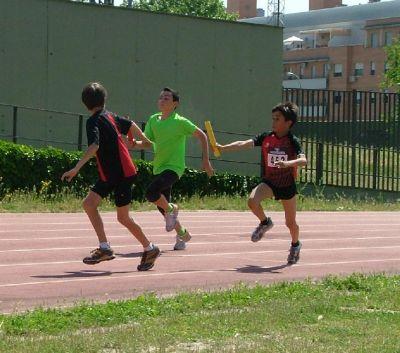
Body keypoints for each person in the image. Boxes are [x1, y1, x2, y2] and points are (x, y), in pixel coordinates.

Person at [61, 82, 160, 271]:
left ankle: (150, 248)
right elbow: (132, 127)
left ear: (85, 103)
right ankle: (105, 248)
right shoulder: (111, 116)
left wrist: (76, 168)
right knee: (89, 204)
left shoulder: (94, 121)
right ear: (104, 100)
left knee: (123, 218)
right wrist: (144, 141)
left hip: (122, 174)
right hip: (111, 174)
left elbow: (94, 146)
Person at [216, 102, 307, 264]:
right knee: (252, 201)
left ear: (288, 123)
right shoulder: (266, 137)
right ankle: (265, 222)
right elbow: (244, 144)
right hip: (270, 182)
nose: (273, 122)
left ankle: (295, 245)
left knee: (290, 223)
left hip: (287, 186)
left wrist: (287, 164)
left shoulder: (293, 141)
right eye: (273, 118)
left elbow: (303, 160)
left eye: (277, 119)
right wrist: (223, 148)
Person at [129, 87, 214, 250]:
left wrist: (205, 161)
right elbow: (147, 143)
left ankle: (172, 209)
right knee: (163, 209)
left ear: (175, 104)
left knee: (151, 193)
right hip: (159, 168)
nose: (162, 99)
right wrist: (132, 144)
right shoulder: (153, 120)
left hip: (174, 168)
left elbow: (202, 135)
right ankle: (182, 234)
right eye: (160, 97)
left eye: (167, 98)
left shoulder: (180, 121)